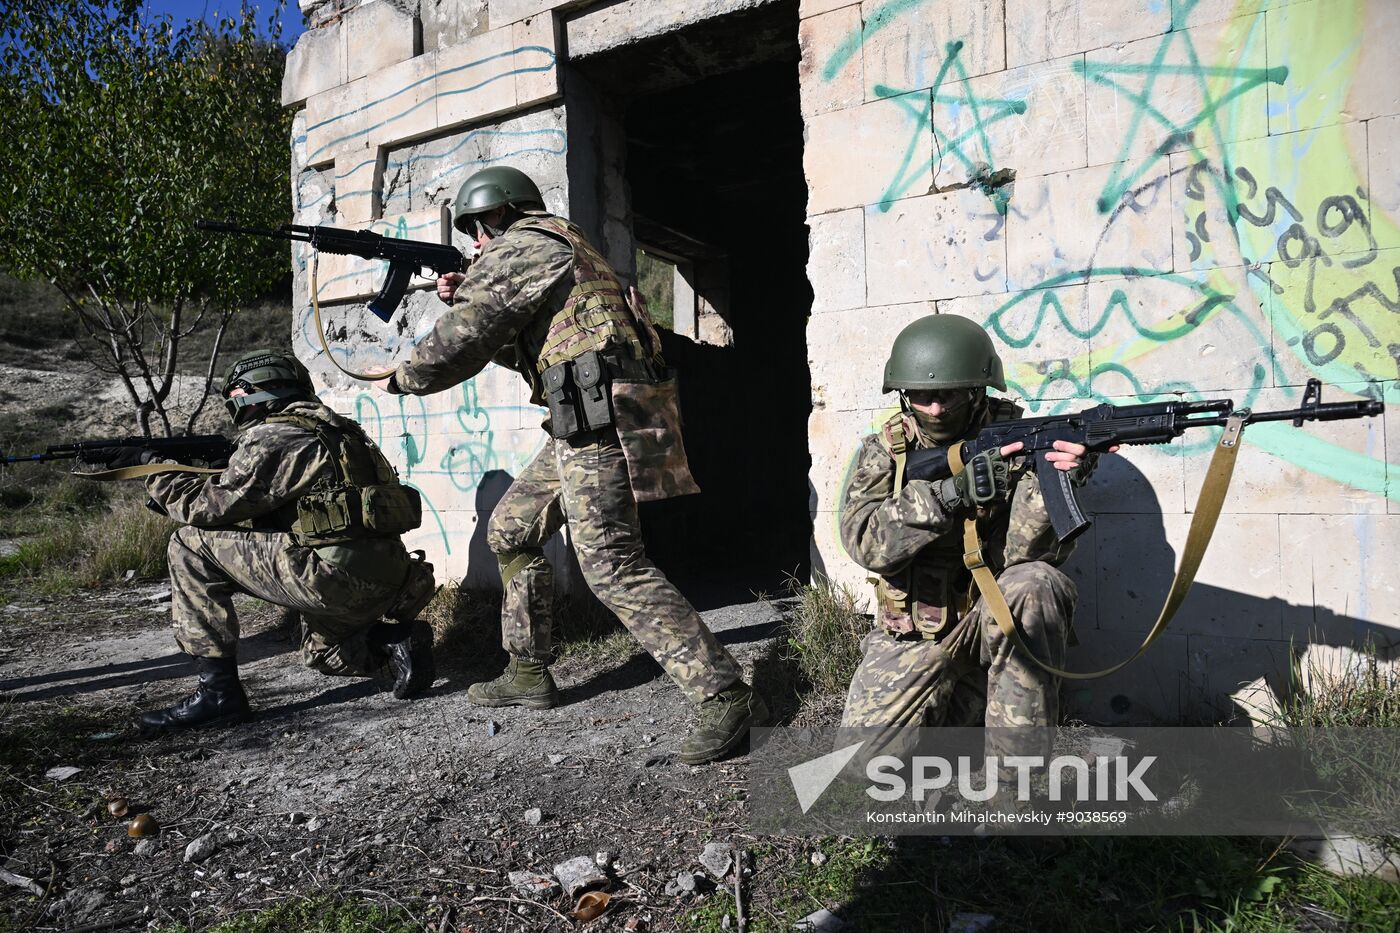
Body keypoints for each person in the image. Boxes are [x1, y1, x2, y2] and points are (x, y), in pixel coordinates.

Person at [376, 165, 766, 765]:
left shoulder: (527, 245)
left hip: (597, 424)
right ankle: (528, 671)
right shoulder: (565, 246)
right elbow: (523, 349)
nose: (478, 245)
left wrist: (406, 375)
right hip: (583, 423)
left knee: (611, 563)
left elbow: (462, 342)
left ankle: (724, 696)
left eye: (478, 232)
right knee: (511, 529)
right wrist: (474, 292)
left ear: (498, 214)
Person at [838, 314, 1104, 761]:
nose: (937, 409)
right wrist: (949, 494)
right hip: (915, 635)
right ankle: (964, 718)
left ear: (978, 389)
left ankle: (1017, 790)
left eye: (949, 395)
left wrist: (1055, 477)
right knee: (859, 765)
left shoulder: (1019, 441)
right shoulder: (886, 451)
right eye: (923, 397)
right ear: (904, 394)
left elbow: (1028, 555)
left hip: (992, 620)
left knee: (1037, 583)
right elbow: (866, 543)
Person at [135, 349, 438, 731]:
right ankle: (396, 641)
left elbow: (206, 509)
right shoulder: (341, 430)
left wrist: (156, 473)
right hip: (389, 577)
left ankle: (218, 695)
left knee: (188, 544)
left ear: (252, 391)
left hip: (333, 576)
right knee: (323, 654)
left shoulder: (275, 435)